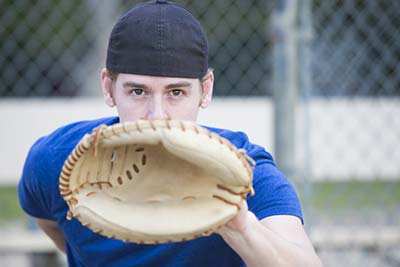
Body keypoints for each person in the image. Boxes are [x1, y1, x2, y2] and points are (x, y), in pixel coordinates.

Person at [18, 1, 322, 266]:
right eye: (138, 91)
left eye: (176, 92)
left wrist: (239, 225)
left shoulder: (244, 173)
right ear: (108, 88)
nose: (157, 116)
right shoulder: (58, 160)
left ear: (206, 90)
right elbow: (52, 223)